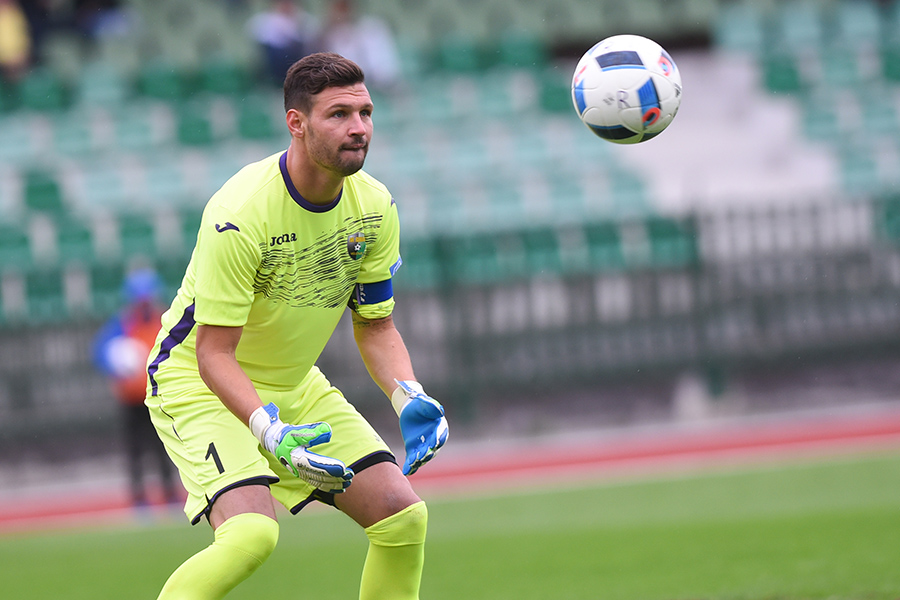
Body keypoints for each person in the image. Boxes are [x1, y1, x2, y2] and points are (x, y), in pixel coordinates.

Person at [145, 52, 449, 599]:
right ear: (297, 122)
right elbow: (213, 354)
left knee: (402, 520)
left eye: (365, 113)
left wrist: (409, 394)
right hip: (196, 381)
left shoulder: (375, 207)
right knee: (251, 536)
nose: (359, 128)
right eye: (339, 114)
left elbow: (377, 326)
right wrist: (271, 431)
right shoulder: (241, 212)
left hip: (292, 383)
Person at [92, 267, 180, 508]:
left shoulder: (166, 320)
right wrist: (114, 364)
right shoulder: (122, 323)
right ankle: (139, 497)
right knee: (135, 451)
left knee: (165, 447)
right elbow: (100, 352)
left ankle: (170, 494)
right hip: (131, 400)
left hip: (159, 398)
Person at [318, 0, 403, 94]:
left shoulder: (374, 27)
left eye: (344, 6)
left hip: (382, 86)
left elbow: (386, 68)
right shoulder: (328, 36)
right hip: (347, 88)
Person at [247, 0, 319, 84]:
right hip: (275, 58)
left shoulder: (303, 18)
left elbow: (310, 38)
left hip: (298, 55)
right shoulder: (264, 20)